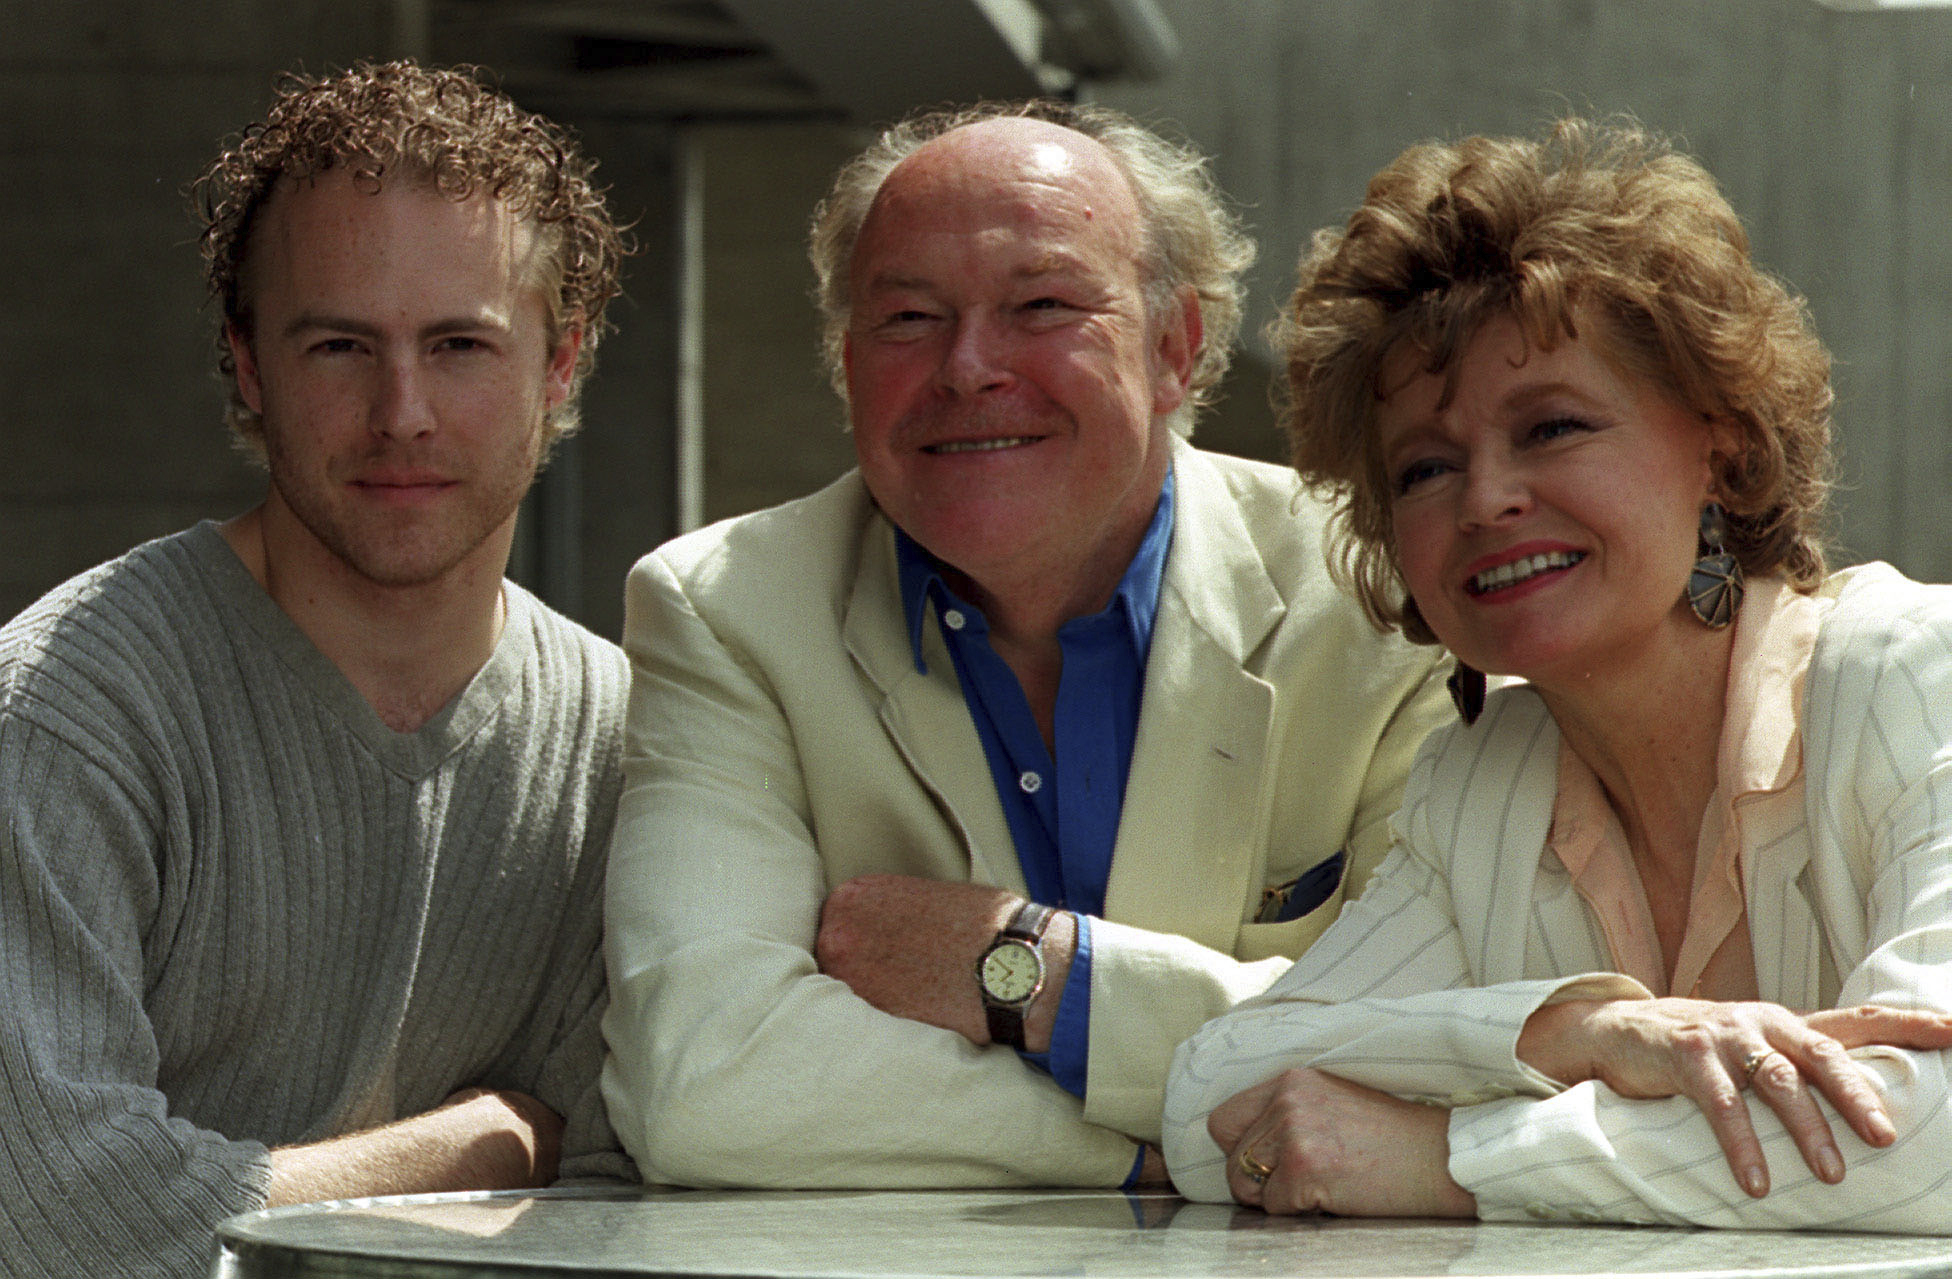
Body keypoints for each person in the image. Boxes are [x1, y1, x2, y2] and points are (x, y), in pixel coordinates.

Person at [599, 100, 1450, 1189]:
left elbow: (1450, 1044)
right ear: (846, 362)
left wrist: (1033, 976)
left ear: (1174, 348)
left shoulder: (1383, 591)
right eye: (906, 318)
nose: (966, 367)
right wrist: (1152, 1150)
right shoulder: (723, 612)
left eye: (1041, 304)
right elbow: (699, 1083)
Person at [1162, 116, 1952, 1231]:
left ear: (1719, 452)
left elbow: (1931, 1141)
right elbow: (1208, 1100)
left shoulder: (1917, 676)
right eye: (1426, 467)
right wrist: (1567, 1031)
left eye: (1551, 428)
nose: (1482, 499)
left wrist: (1452, 1157)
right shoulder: (1478, 784)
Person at [0, 61, 634, 1277]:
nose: (402, 413)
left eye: (460, 344)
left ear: (559, 366)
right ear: (248, 366)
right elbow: (56, 1220)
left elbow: (628, 1196)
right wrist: (491, 1143)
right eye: (341, 344)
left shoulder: (618, 739)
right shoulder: (65, 713)